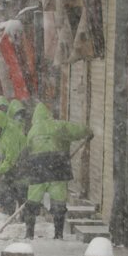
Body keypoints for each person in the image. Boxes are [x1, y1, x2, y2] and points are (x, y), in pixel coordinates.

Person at [22, 102, 93, 240]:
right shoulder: (58, 126)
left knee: (32, 200)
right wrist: (87, 132)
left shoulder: (32, 131)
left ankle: (29, 232)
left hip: (38, 168)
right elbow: (76, 130)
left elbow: (27, 150)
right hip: (58, 167)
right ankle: (58, 233)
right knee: (59, 200)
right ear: (48, 115)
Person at [0, 110, 27, 213]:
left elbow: (11, 158)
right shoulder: (3, 131)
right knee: (10, 187)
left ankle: (21, 213)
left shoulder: (10, 133)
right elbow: (5, 152)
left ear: (0, 124)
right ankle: (10, 210)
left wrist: (0, 169)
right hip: (15, 162)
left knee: (16, 188)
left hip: (21, 162)